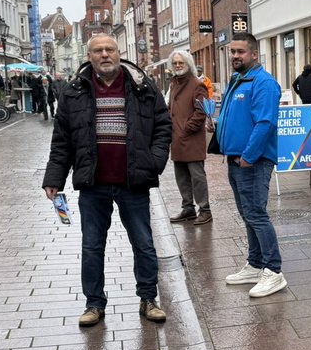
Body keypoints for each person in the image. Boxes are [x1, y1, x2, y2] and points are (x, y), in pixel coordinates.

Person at [42, 33, 172, 327]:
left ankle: (149, 299)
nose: (104, 55)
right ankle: (94, 304)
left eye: (109, 49)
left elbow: (163, 126)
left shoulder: (142, 87)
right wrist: (54, 178)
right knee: (92, 246)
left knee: (143, 243)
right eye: (98, 50)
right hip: (94, 183)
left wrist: (154, 161)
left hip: (133, 181)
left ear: (118, 52)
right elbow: (61, 140)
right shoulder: (74, 91)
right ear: (89, 56)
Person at [216, 32, 288, 298]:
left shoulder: (263, 83)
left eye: (240, 52)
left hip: (252, 161)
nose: (235, 56)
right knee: (247, 214)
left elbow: (265, 123)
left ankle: (273, 270)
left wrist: (249, 156)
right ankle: (256, 264)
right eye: (232, 51)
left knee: (256, 214)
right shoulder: (239, 79)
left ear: (254, 54)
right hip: (236, 159)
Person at [167, 51, 212, 225]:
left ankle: (205, 210)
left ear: (189, 64)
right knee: (181, 176)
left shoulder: (196, 85)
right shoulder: (174, 84)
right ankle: (188, 209)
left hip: (191, 139)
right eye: (175, 63)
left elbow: (201, 111)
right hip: (177, 139)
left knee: (197, 176)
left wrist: (186, 129)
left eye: (181, 62)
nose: (178, 65)